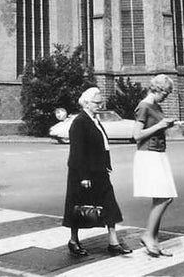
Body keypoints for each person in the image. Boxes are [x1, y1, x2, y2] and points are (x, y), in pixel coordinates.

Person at [62, 86, 132, 257]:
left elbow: (102, 144)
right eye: (96, 103)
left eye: (101, 102)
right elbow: (77, 152)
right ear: (86, 103)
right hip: (83, 173)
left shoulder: (94, 119)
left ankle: (113, 242)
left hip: (99, 170)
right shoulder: (80, 122)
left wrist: (106, 165)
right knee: (78, 208)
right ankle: (73, 240)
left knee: (109, 204)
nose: (100, 105)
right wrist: (84, 176)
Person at [133, 74, 178, 257]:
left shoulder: (155, 106)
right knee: (165, 197)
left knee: (162, 197)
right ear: (157, 89)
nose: (167, 96)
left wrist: (164, 126)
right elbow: (136, 135)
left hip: (158, 154)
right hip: (148, 155)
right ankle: (147, 236)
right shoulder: (144, 106)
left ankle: (154, 240)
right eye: (166, 92)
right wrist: (160, 125)